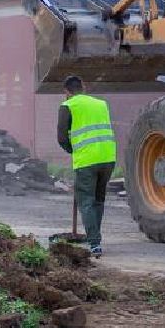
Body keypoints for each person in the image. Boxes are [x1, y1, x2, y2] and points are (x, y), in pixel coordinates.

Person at [57, 75, 116, 255]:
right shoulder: (101, 104)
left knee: (86, 202)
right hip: (108, 157)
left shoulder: (67, 106)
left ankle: (94, 243)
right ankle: (95, 237)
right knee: (98, 200)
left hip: (86, 161)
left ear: (66, 92)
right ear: (84, 87)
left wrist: (71, 149)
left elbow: (61, 137)